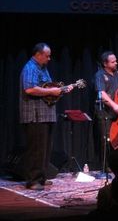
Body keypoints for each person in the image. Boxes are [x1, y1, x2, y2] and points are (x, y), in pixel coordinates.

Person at [19, 42, 73, 190]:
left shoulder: (43, 69)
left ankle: (41, 177)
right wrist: (51, 92)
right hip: (35, 115)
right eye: (47, 56)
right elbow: (29, 89)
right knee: (36, 149)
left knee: (45, 149)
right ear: (38, 54)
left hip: (46, 115)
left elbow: (48, 89)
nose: (49, 59)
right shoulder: (30, 67)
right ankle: (32, 180)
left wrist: (60, 90)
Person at [94, 51, 118, 167]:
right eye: (113, 62)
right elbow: (101, 93)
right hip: (105, 113)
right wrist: (114, 105)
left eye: (116, 61)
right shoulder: (100, 75)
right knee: (106, 141)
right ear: (105, 64)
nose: (116, 63)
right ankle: (107, 167)